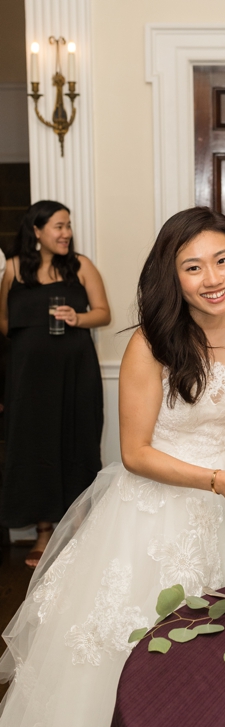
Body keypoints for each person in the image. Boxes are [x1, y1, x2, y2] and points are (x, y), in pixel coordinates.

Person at [0, 207, 225, 727]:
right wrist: (218, 481)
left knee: (215, 652)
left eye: (222, 261)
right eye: (193, 267)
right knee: (130, 650)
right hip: (152, 511)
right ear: (171, 275)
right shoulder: (149, 343)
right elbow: (135, 453)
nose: (213, 279)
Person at [0, 200, 110, 567]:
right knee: (34, 447)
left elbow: (103, 313)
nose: (66, 233)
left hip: (76, 372)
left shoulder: (80, 266)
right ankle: (44, 533)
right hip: (29, 378)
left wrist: (77, 318)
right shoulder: (14, 270)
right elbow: (3, 323)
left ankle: (79, 527)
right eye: (58, 226)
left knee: (77, 441)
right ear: (36, 231)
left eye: (68, 226)